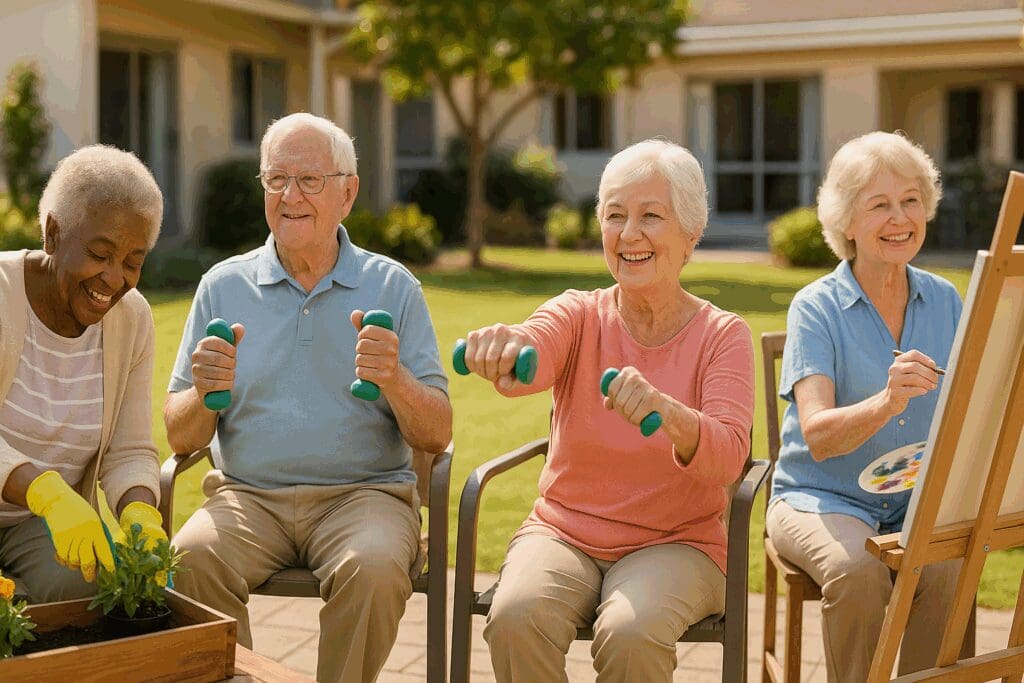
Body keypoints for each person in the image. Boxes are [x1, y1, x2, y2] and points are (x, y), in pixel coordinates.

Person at [165, 112, 452, 683]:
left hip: (362, 497)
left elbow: (437, 432)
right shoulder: (223, 285)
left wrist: (394, 378)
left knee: (372, 569)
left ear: (348, 193)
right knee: (190, 559)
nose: (290, 195)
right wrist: (204, 391)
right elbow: (180, 435)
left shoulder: (393, 286)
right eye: (276, 179)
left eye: (310, 181)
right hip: (247, 498)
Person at [459, 139, 754, 682]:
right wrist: (507, 348)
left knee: (631, 634)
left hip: (679, 542)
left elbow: (731, 458)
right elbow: (533, 349)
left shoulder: (723, 334)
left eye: (650, 217)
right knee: (516, 616)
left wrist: (669, 413)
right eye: (614, 216)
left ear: (690, 235)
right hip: (562, 532)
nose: (629, 234)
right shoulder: (578, 313)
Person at [767, 131, 966, 682]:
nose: (900, 217)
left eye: (910, 200)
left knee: (953, 561)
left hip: (913, 500)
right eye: (879, 204)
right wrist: (887, 399)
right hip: (819, 498)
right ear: (847, 223)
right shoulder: (816, 308)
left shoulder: (946, 299)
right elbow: (819, 436)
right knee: (859, 570)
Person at [0, 145, 166, 601]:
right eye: (100, 254)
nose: (114, 279)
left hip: (33, 526)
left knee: (94, 595)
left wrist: (140, 513)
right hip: (45, 508)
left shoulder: (132, 320)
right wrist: (47, 491)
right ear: (53, 234)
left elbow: (129, 447)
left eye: (133, 261)